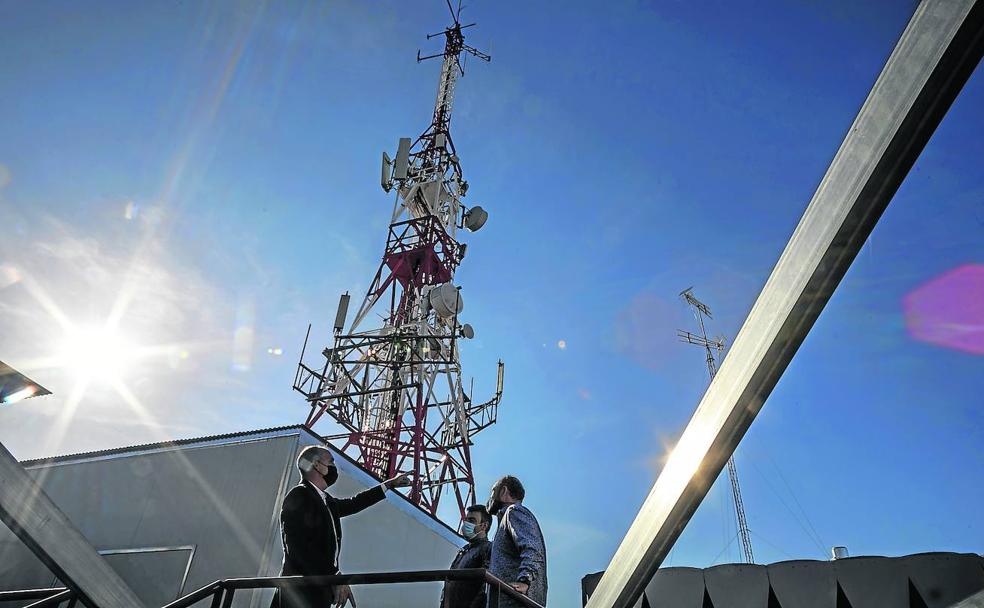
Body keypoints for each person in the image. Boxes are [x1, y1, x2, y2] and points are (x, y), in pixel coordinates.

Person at [274, 445, 410, 608]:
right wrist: (333, 577)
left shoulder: (327, 502)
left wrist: (388, 485)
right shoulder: (299, 495)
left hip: (317, 591)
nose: (334, 467)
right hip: (299, 591)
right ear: (317, 465)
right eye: (330, 462)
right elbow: (298, 548)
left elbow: (354, 503)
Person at [487, 476, 547, 607]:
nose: (490, 497)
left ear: (504, 491)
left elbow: (533, 548)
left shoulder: (513, 511)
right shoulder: (506, 520)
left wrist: (525, 580)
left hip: (514, 600)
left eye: (493, 491)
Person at [440, 505, 493, 608]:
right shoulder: (464, 550)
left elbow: (485, 587)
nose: (466, 523)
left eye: (472, 520)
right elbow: (449, 582)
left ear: (484, 526)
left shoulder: (488, 548)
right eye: (466, 519)